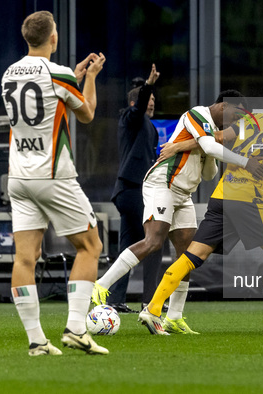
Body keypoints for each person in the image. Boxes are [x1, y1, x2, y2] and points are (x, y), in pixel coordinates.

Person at [137, 91, 263, 335]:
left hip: (222, 195)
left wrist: (179, 145)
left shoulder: (256, 120)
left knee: (193, 254)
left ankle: (152, 308)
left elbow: (215, 138)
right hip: (249, 198)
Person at [92, 90, 263, 334]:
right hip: (163, 183)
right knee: (153, 241)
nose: (235, 121)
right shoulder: (198, 113)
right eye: (236, 114)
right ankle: (101, 285)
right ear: (224, 105)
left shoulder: (210, 133)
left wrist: (206, 152)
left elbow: (209, 174)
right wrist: (244, 161)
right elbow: (209, 145)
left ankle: (173, 317)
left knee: (187, 255)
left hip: (183, 194)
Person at [1, 11, 107, 356]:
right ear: (53, 38)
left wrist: (72, 80)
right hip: (52, 175)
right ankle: (76, 329)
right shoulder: (58, 73)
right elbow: (87, 112)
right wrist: (89, 77)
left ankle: (36, 341)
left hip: (18, 176)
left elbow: (43, 99)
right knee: (90, 246)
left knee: (25, 257)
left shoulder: (8, 73)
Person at [107, 64, 165, 314]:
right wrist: (148, 86)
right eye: (148, 98)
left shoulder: (147, 126)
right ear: (136, 102)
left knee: (127, 247)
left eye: (153, 98)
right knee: (155, 242)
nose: (151, 103)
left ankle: (114, 300)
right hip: (133, 191)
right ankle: (150, 301)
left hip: (129, 191)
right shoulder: (130, 117)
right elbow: (139, 108)